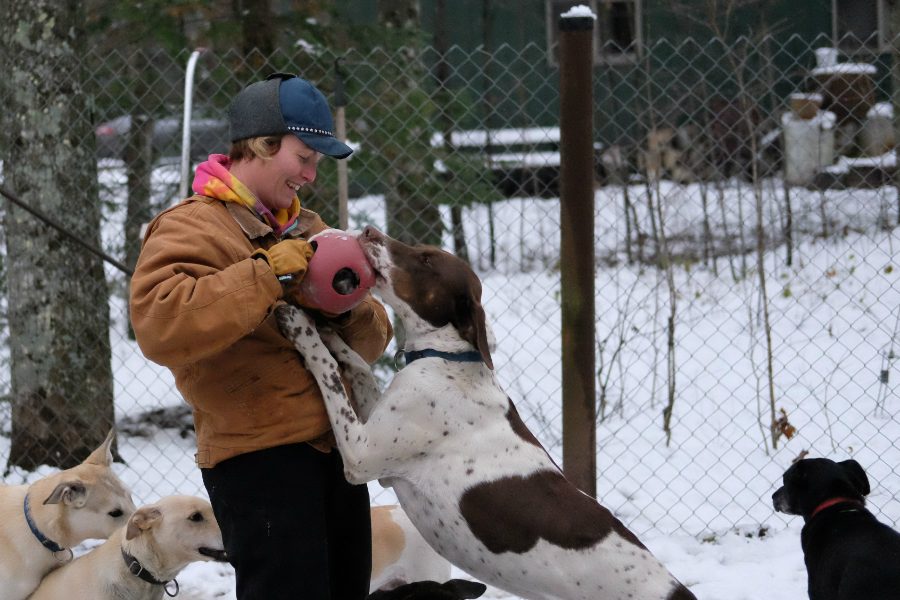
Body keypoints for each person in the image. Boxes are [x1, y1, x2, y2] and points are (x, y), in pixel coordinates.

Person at [129, 73, 392, 600]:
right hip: (259, 460)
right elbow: (160, 324)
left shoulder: (308, 226)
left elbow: (374, 337)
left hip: (336, 452)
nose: (312, 175)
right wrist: (265, 274)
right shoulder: (191, 227)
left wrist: (342, 306)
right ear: (263, 145)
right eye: (305, 156)